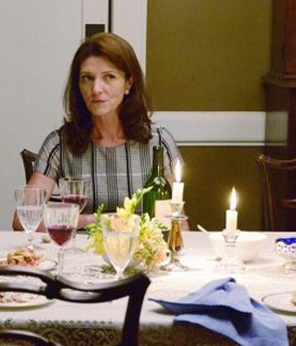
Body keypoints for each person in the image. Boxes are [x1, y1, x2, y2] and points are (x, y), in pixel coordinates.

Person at [13, 32, 183, 230]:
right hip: (80, 248)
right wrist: (93, 220)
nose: (96, 89)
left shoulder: (158, 142)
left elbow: (177, 224)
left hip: (139, 248)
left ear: (128, 83)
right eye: (87, 78)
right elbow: (23, 219)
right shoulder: (60, 143)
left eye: (109, 77)